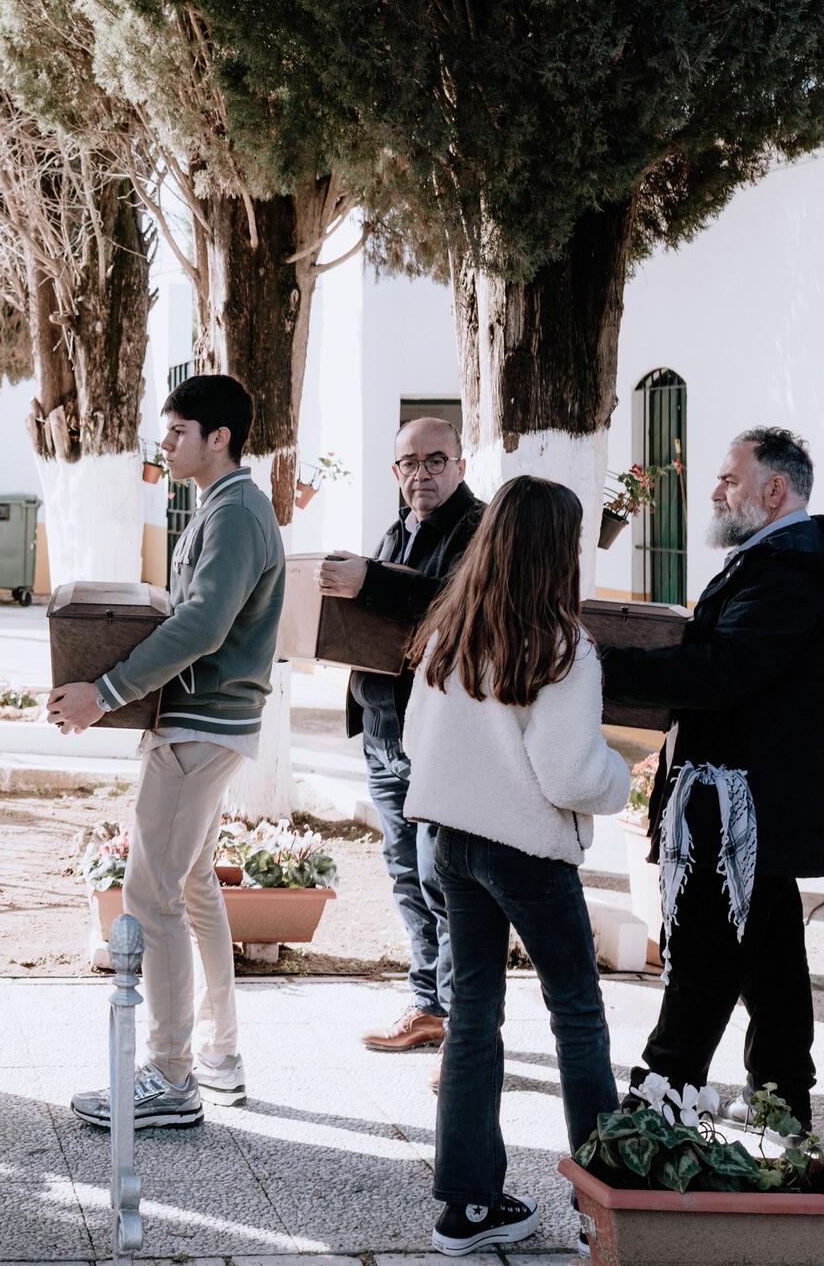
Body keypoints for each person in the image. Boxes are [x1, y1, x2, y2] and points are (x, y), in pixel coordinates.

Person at [400, 476, 630, 1256]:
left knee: (472, 1013)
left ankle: (466, 1207)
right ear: (558, 549)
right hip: (528, 850)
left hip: (452, 840)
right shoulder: (562, 647)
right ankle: (602, 1205)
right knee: (577, 1013)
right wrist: (621, 774)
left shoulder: (449, 630)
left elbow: (413, 740)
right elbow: (570, 774)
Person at [50, 374, 284, 1127]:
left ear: (219, 437)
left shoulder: (236, 510)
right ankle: (217, 1053)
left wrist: (105, 691)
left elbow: (203, 625)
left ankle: (171, 1076)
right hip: (204, 721)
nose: (167, 443)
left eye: (179, 431)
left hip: (199, 726)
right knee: (194, 887)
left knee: (150, 896)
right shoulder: (223, 505)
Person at [598, 427, 823, 1132]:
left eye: (730, 478)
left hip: (737, 806)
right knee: (771, 957)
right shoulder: (773, 557)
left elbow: (724, 671)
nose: (717, 490)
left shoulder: (790, 567)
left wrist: (601, 665)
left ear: (774, 490)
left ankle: (658, 1104)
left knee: (703, 952)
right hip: (751, 802)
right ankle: (784, 1101)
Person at [317, 419, 483, 1054]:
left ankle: (462, 1023)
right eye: (410, 463)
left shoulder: (477, 528)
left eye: (436, 460)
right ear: (395, 472)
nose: (423, 473)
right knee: (406, 874)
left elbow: (456, 605)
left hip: (434, 735)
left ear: (460, 465)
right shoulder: (398, 530)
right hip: (383, 730)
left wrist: (369, 581)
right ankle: (427, 1005)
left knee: (443, 879)